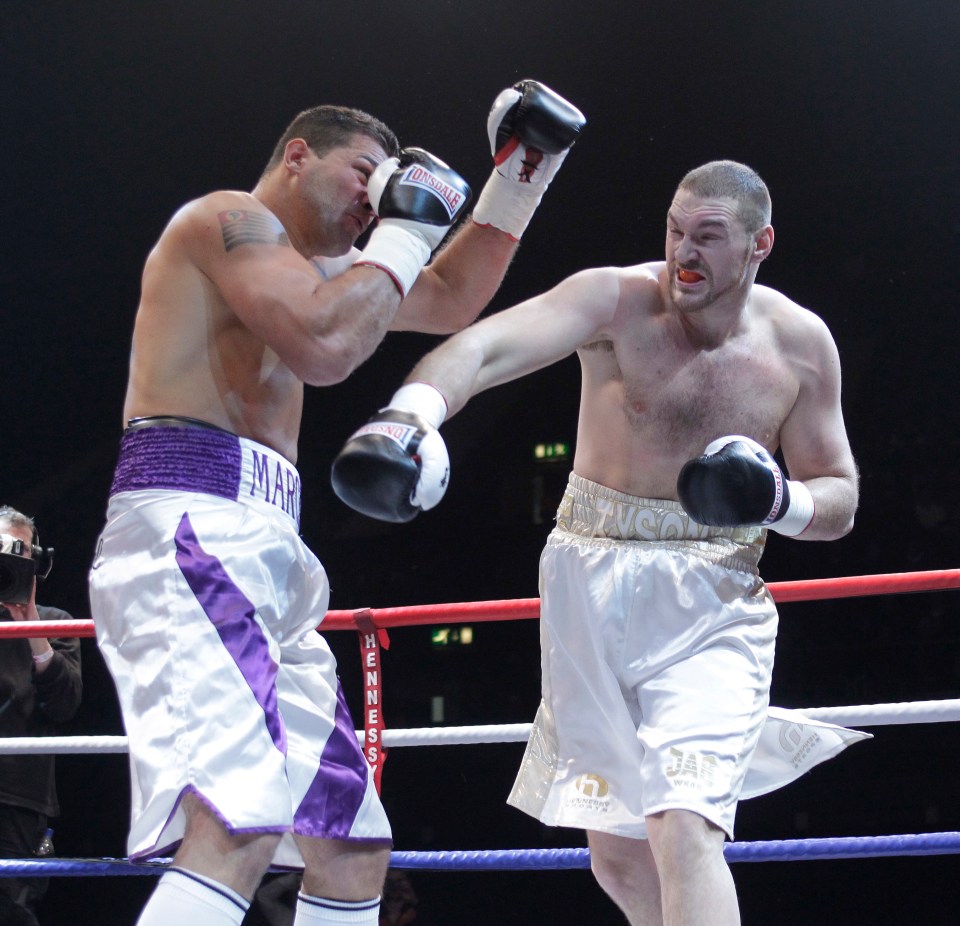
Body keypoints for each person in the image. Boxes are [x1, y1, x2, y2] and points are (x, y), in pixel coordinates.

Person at [87, 81, 585, 926]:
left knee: (351, 844)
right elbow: (325, 347)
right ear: (297, 156)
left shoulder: (328, 273)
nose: (373, 196)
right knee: (237, 822)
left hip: (271, 548)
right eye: (363, 172)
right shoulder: (223, 221)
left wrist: (523, 173)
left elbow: (451, 297)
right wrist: (402, 226)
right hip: (189, 529)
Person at [332, 160, 860, 925]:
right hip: (588, 584)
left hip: (713, 597)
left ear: (759, 244)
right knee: (616, 857)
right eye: (676, 229)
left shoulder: (801, 346)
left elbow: (839, 495)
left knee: (685, 826)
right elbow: (483, 348)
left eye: (709, 237)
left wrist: (780, 499)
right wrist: (409, 415)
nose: (684, 251)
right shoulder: (615, 302)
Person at [0, 506, 82, 926]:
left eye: (21, 557)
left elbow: (65, 705)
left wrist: (29, 625)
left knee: (13, 910)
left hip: (20, 798)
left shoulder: (55, 623)